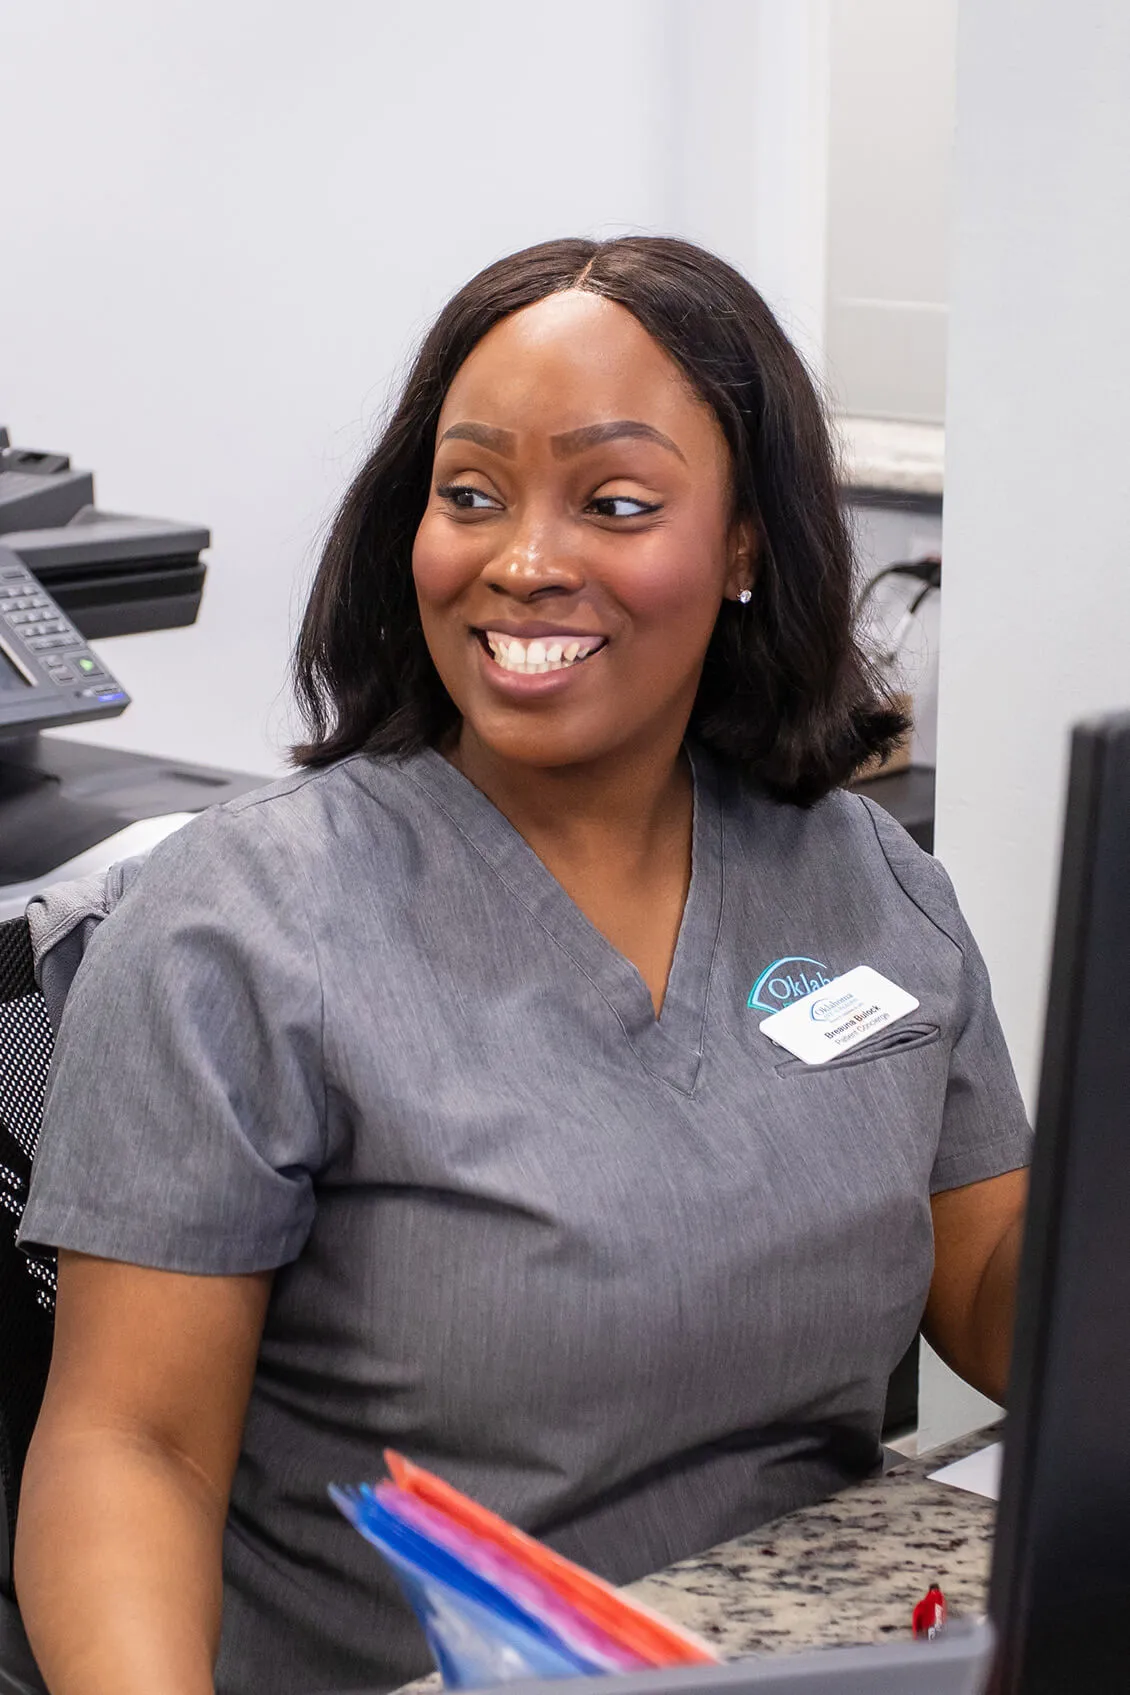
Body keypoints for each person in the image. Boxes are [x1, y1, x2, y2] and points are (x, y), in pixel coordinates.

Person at [14, 237, 1029, 1695]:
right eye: (470, 494)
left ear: (745, 545)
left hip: (823, 1649)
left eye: (614, 503)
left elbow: (996, 1283)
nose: (524, 559)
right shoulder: (245, 922)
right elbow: (133, 1446)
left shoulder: (863, 879)